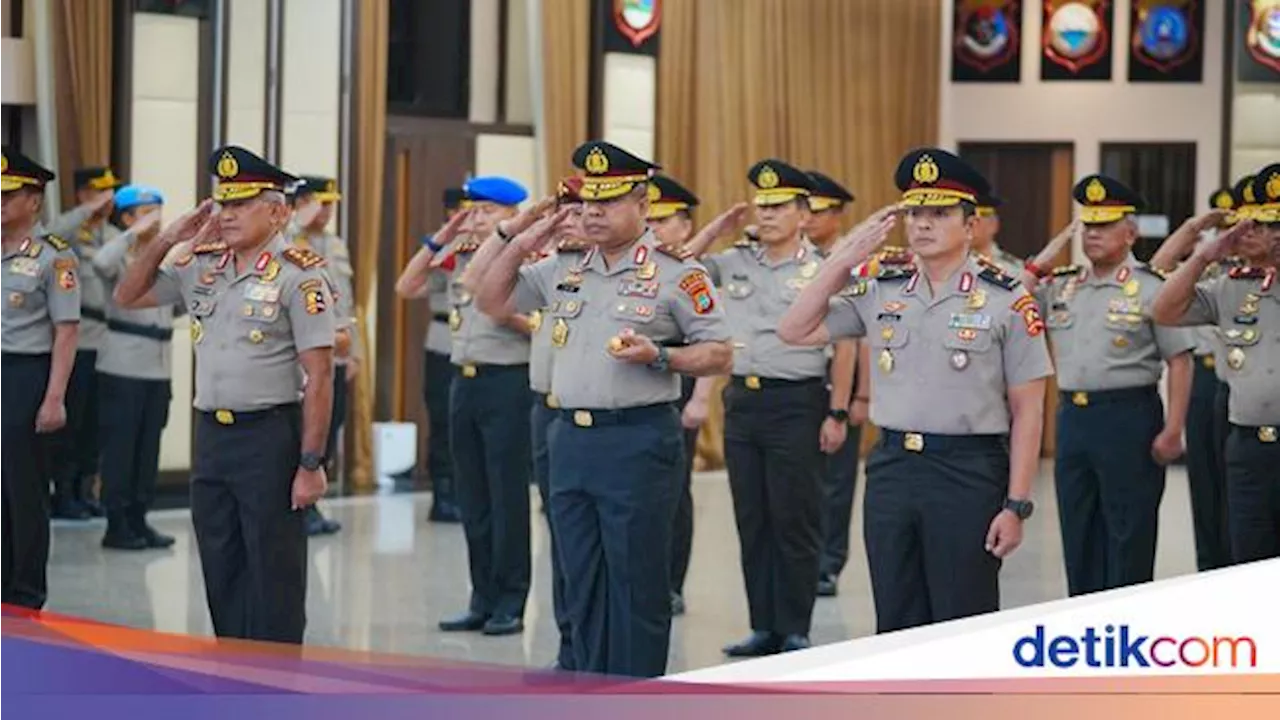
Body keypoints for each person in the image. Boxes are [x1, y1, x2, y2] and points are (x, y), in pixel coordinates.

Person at [474, 141, 733, 677]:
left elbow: (718, 351)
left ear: (643, 202)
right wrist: (527, 240)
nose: (592, 212)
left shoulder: (677, 273)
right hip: (568, 438)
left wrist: (660, 355)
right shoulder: (563, 266)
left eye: (608, 202)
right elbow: (490, 299)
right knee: (580, 578)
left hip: (636, 439)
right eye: (588, 202)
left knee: (634, 582)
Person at [778, 147, 1052, 634]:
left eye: (940, 214)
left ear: (971, 225)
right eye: (915, 213)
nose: (922, 224)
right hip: (892, 469)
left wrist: (1016, 505)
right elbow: (794, 330)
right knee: (897, 614)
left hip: (967, 472)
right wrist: (842, 260)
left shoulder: (1008, 297)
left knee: (961, 618)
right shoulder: (883, 287)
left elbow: (1029, 410)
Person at [114, 145, 336, 643]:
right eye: (222, 203)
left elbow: (320, 377)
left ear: (278, 212)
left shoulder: (301, 277)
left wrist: (310, 462)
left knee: (273, 570)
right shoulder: (202, 266)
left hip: (269, 437)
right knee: (222, 563)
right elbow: (127, 295)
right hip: (212, 435)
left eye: (241, 204)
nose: (226, 215)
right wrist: (171, 236)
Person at [1019, 175, 1194, 596]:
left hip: (1129, 418)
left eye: (1105, 224)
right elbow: (1015, 301)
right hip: (1074, 418)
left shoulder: (1151, 287)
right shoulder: (1062, 285)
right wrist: (1040, 262)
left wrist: (1173, 430)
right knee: (1078, 530)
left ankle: (1127, 632)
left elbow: (1180, 360)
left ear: (1130, 232)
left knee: (1127, 531)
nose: (1093, 234)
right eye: (1087, 225)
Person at [702, 160, 837, 656]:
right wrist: (717, 228)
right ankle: (763, 624)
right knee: (752, 518)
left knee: (794, 517)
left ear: (804, 213)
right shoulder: (734, 260)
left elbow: (846, 344)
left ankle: (795, 626)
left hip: (797, 401)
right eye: (762, 205)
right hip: (744, 400)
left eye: (779, 206)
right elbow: (680, 266)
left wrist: (839, 411)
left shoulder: (823, 269)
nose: (768, 214)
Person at [1152, 163, 1280, 565]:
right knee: (1247, 560)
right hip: (1249, 446)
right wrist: (1205, 253)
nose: (1254, 234)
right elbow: (1162, 308)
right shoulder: (1231, 285)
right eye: (1253, 225)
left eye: (1267, 226)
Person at [436, 176, 536, 637]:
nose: (476, 218)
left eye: (487, 211)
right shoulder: (465, 257)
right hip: (466, 381)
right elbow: (409, 282)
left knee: (506, 496)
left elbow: (539, 324)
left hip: (508, 383)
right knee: (472, 496)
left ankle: (511, 600)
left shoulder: (529, 256)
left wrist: (506, 313)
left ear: (512, 213)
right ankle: (482, 596)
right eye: (473, 211)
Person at [1147, 185, 1249, 572]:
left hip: (1246, 389)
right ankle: (1211, 570)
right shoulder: (1207, 268)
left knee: (1242, 494)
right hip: (1208, 383)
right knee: (1205, 489)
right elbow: (1155, 270)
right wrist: (1195, 229)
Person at [0, 146, 79, 609]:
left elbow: (66, 331)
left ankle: (26, 591)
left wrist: (54, 398)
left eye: (9, 196)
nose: (0, 204)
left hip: (26, 375)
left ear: (34, 200)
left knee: (23, 489)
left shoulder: (55, 258)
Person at [92, 184, 178, 551]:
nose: (155, 220)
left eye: (157, 211)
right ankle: (116, 523)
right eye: (146, 212)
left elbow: (177, 304)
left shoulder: (165, 259)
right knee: (121, 448)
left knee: (148, 448)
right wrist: (132, 235)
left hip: (158, 366)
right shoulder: (120, 254)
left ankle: (140, 518)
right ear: (127, 216)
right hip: (123, 365)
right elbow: (99, 263)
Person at [43, 166, 123, 520]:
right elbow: (50, 233)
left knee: (95, 424)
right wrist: (86, 211)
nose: (108, 199)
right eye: (99, 192)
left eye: (111, 192)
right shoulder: (70, 232)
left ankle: (84, 490)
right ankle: (62, 493)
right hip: (78, 341)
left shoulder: (112, 234)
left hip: (108, 342)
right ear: (82, 194)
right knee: (71, 423)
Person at [803, 170, 863, 599]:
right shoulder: (802, 258)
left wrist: (861, 396)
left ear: (837, 215)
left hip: (846, 374)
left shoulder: (853, 262)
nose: (808, 220)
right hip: (806, 375)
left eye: (817, 212)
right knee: (806, 480)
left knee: (837, 481)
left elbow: (863, 336)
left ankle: (829, 563)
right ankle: (807, 559)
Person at [287, 175, 357, 537]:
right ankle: (297, 504)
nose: (327, 211)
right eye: (320, 203)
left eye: (331, 205)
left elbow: (347, 301)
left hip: (337, 349)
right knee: (300, 429)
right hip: (302, 355)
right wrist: (294, 221)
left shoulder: (335, 244)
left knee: (329, 427)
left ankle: (312, 501)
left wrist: (354, 355)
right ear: (300, 204)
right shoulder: (286, 238)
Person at [424, 188, 466, 522]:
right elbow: (417, 284)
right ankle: (442, 493)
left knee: (467, 425)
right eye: (461, 211)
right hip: (442, 339)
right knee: (442, 421)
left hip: (475, 344)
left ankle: (464, 492)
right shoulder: (437, 246)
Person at [972, 193, 1023, 275]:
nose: (970, 228)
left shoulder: (1013, 267)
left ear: (993, 224)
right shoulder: (952, 263)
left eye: (977, 222)